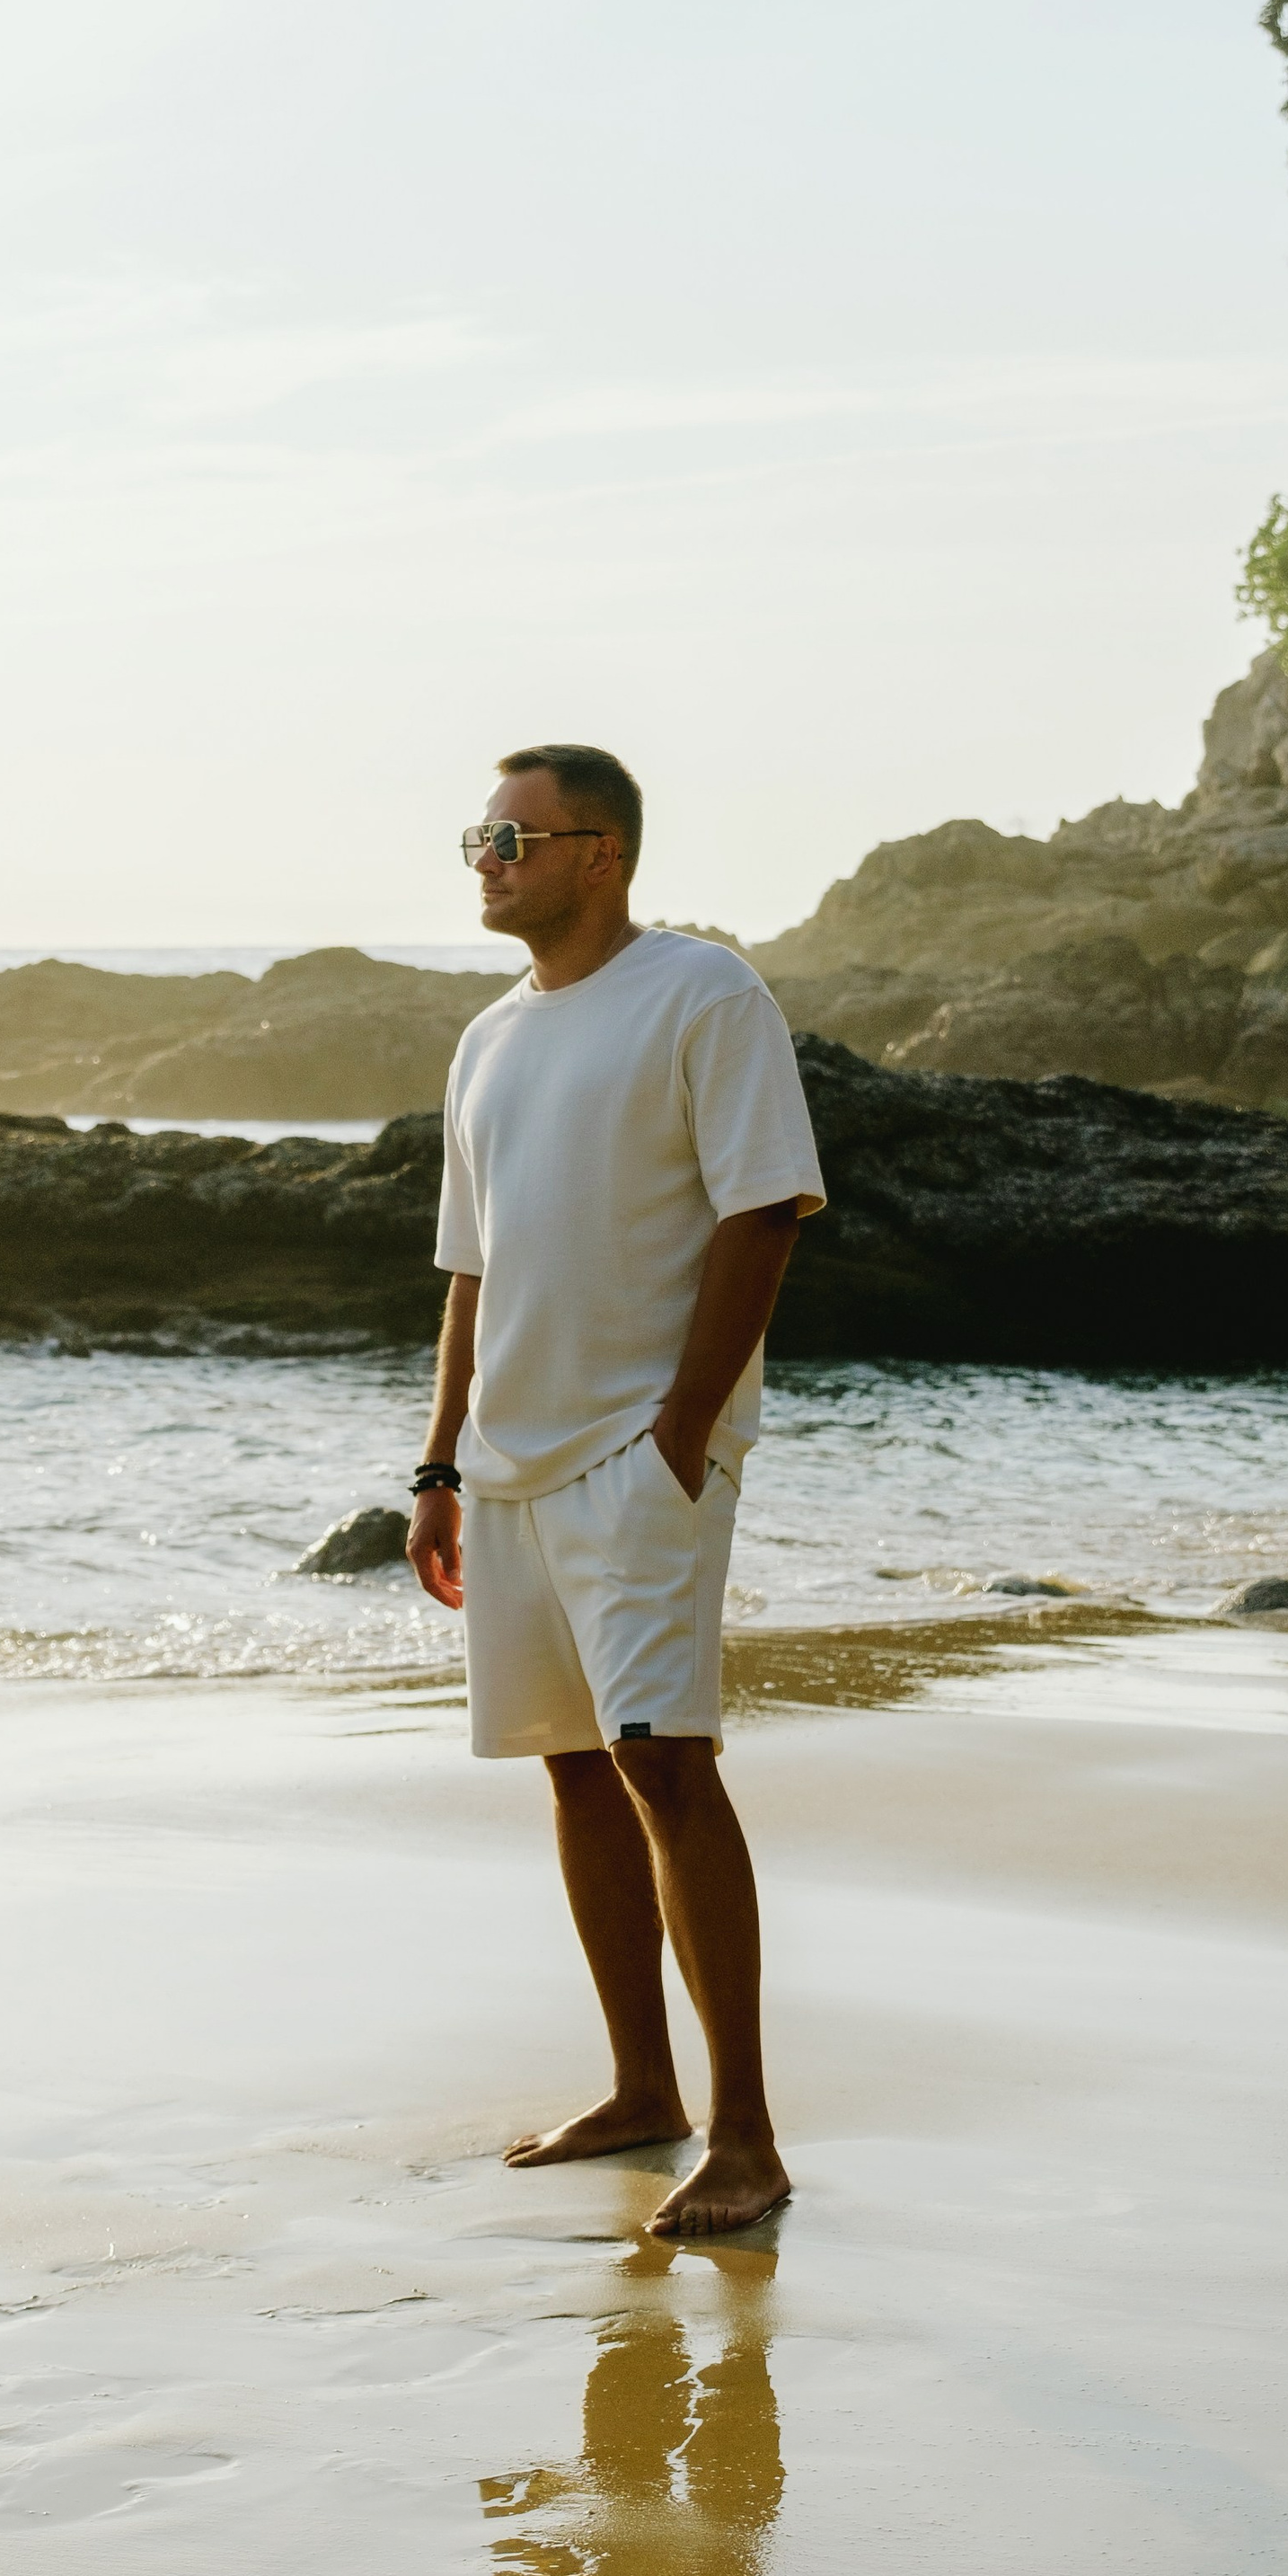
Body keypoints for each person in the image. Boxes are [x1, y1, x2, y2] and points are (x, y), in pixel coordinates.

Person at [406, 745, 825, 2241]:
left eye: (514, 835)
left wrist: (684, 1424)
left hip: (639, 1455)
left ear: (603, 853)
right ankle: (644, 2088)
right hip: (509, 1466)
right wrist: (440, 1465)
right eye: (479, 835)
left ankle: (752, 2136)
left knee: (664, 1761)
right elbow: (471, 1270)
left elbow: (765, 1205)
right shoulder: (487, 1038)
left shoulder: (703, 993)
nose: (487, 857)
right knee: (573, 1765)